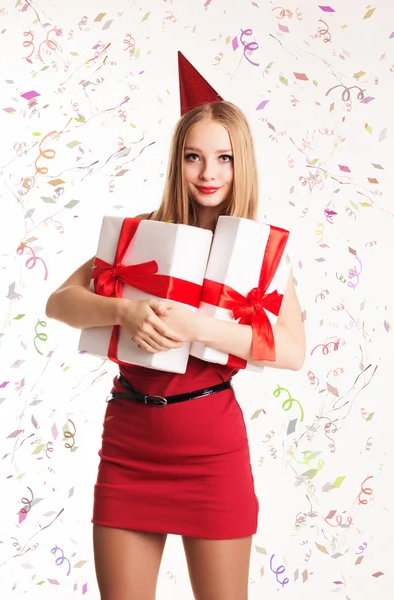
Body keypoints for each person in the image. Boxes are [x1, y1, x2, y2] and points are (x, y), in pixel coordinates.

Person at [45, 52, 305, 600]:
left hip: (213, 455)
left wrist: (196, 327)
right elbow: (61, 303)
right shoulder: (141, 237)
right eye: (193, 157)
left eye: (224, 159)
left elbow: (290, 349)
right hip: (129, 449)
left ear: (243, 166)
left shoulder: (258, 257)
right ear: (176, 162)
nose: (208, 174)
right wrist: (126, 310)